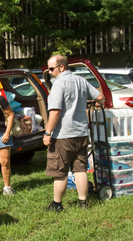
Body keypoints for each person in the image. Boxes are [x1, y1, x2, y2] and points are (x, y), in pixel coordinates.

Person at [43, 55, 105, 212]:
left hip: (63, 135)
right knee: (80, 169)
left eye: (51, 69)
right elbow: (100, 97)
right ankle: (83, 202)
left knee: (60, 172)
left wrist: (48, 132)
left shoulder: (58, 84)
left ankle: (57, 204)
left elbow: (55, 112)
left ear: (62, 67)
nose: (49, 72)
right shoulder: (81, 80)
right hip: (82, 132)